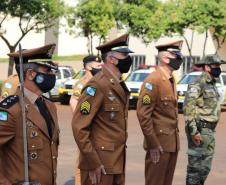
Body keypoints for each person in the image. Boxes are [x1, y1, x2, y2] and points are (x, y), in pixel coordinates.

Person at [71, 34, 133, 185]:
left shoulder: (117, 83)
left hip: (115, 161)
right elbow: (79, 126)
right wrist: (92, 162)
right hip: (99, 164)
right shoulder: (97, 85)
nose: (128, 59)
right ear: (111, 59)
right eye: (124, 55)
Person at [0, 44, 60, 185]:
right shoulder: (11, 110)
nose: (52, 75)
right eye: (47, 70)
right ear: (31, 74)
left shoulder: (50, 106)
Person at [137, 39, 183, 185]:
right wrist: (153, 144)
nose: (180, 59)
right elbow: (143, 115)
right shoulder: (153, 81)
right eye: (177, 55)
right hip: (158, 144)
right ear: (165, 58)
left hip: (171, 143)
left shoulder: (170, 79)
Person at [183, 54, 224, 185]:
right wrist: (194, 131)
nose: (219, 68)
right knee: (195, 167)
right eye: (216, 66)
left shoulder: (212, 84)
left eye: (219, 66)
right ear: (207, 67)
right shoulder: (198, 83)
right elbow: (188, 108)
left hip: (209, 131)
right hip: (200, 129)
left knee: (205, 167)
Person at [70, 55, 102, 185]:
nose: (101, 67)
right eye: (98, 65)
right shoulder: (82, 83)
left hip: (98, 130)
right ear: (89, 66)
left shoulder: (99, 81)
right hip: (86, 128)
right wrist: (82, 122)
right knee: (83, 158)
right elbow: (73, 101)